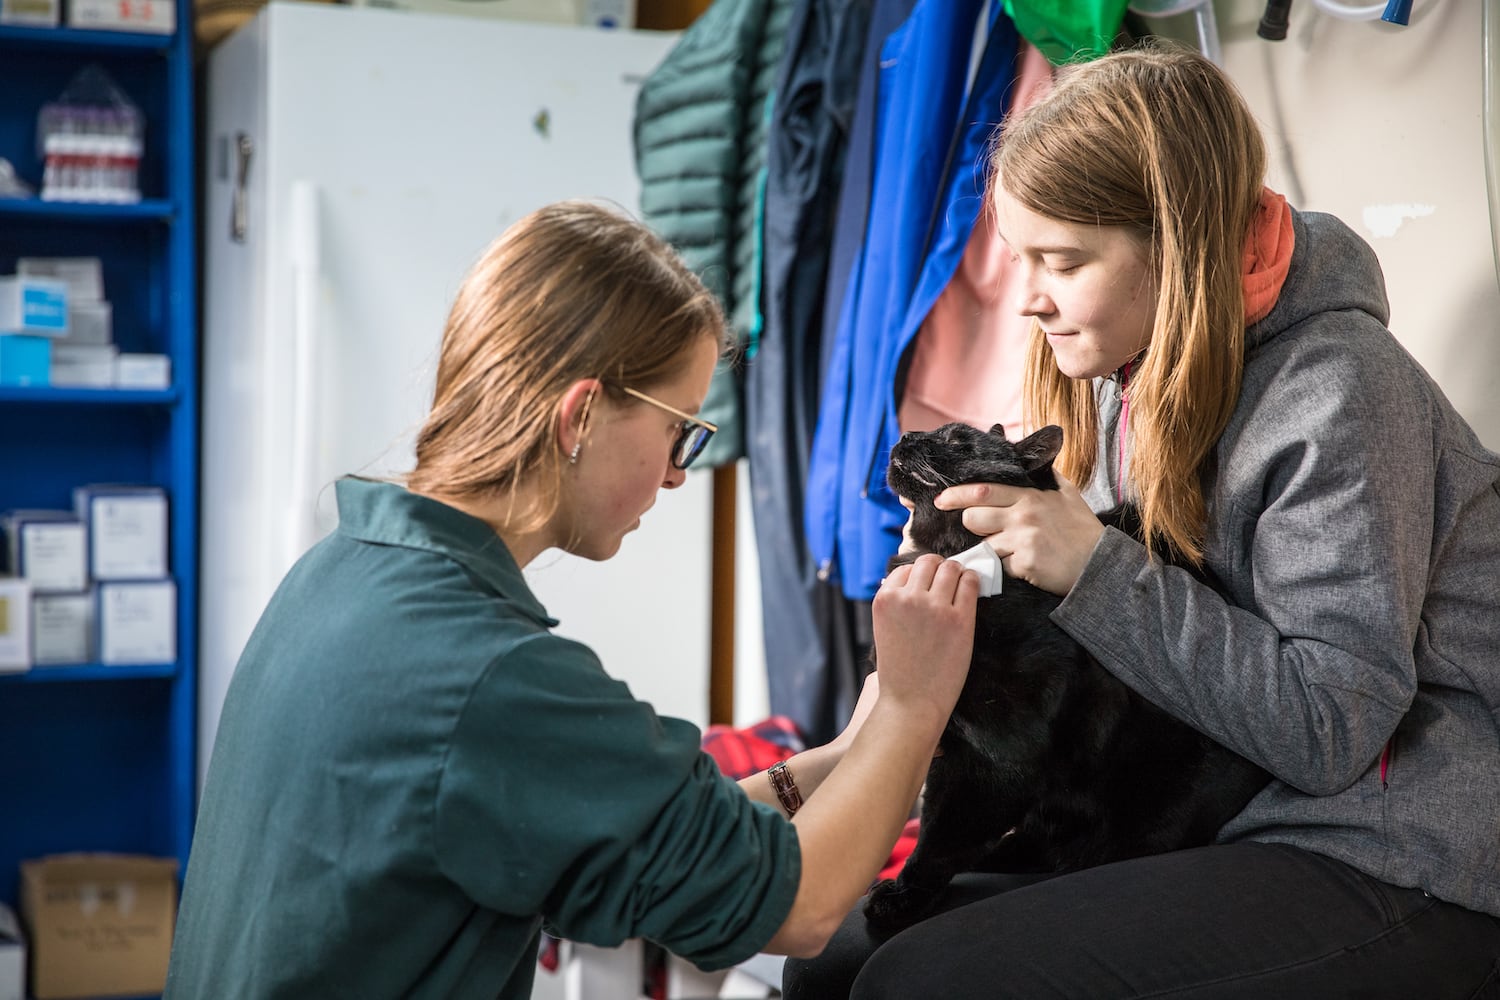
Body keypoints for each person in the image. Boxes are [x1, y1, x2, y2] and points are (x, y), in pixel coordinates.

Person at [784, 42, 1500, 998]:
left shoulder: (1341, 395)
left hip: (1396, 852)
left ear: (1181, 242)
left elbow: (1332, 731)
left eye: (1064, 261)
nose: (1031, 297)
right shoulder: (1135, 371)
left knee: (925, 984)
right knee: (830, 963)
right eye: (1021, 259)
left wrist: (1091, 566)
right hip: (1210, 820)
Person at [164, 200, 980, 1000]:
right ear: (581, 415)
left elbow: (634, 818)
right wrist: (913, 708)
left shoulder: (343, 571)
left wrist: (849, 754)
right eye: (678, 431)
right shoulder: (488, 677)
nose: (675, 473)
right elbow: (799, 911)